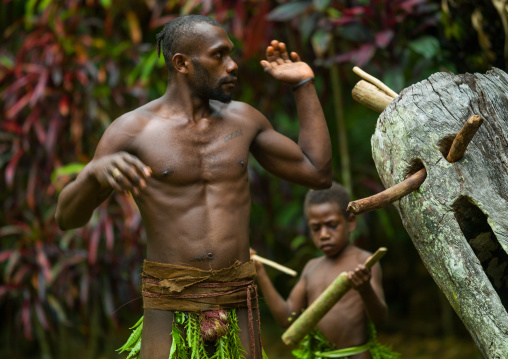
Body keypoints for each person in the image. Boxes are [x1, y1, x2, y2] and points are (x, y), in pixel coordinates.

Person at [55, 14, 332, 359]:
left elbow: (317, 173)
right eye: (219, 55)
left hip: (236, 298)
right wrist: (93, 173)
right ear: (182, 63)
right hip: (169, 302)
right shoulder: (132, 131)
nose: (232, 65)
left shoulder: (245, 120)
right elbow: (67, 218)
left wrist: (303, 85)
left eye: (230, 54)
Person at [253, 182, 398, 359]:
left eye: (331, 225)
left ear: (350, 223)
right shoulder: (311, 268)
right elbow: (287, 319)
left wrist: (365, 288)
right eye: (316, 228)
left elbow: (380, 319)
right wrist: (260, 273)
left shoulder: (364, 262)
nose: (323, 234)